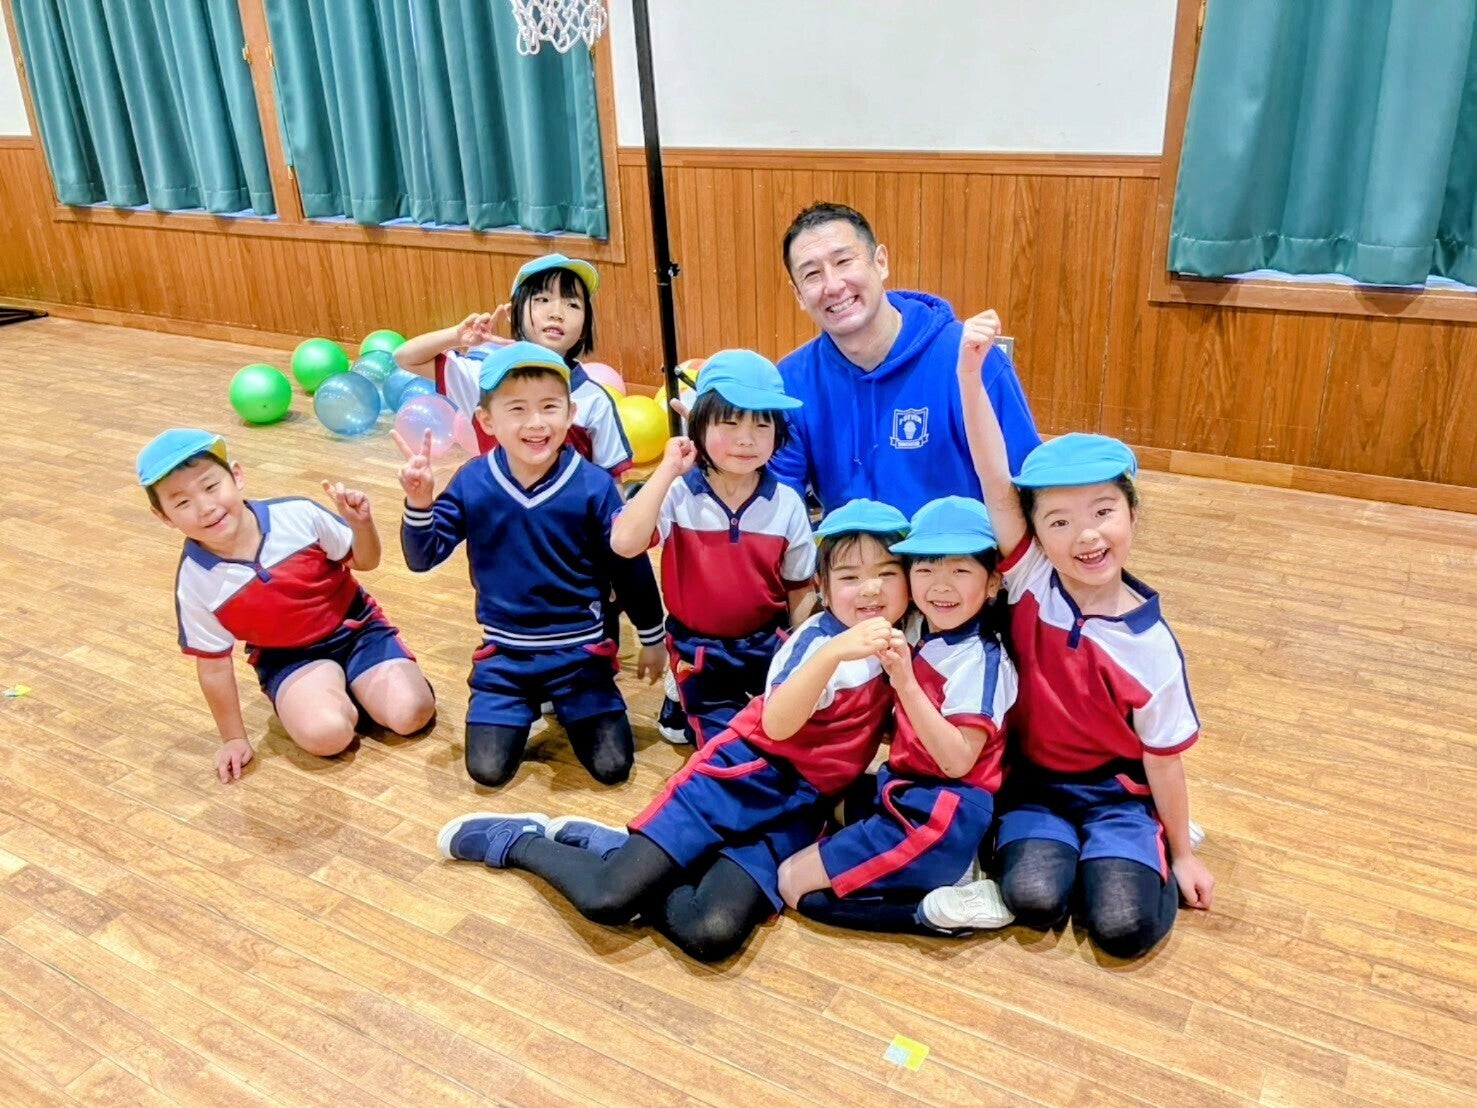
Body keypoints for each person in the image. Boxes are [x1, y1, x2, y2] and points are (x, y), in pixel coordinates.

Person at [435, 500, 911, 963]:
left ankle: (615, 849)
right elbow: (777, 724)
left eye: (887, 573)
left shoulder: (904, 639)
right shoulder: (817, 643)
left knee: (710, 932)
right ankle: (519, 840)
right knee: (608, 899)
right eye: (849, 577)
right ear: (822, 587)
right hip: (740, 781)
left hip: (797, 810)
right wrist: (833, 654)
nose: (870, 589)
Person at [932, 309, 1214, 956]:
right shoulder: (1032, 576)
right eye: (1058, 521)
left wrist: (1180, 854)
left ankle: (1140, 846)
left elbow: (1162, 760)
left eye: (1103, 511)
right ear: (1036, 532)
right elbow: (993, 476)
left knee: (1122, 927)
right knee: (1034, 900)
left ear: (1132, 515)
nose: (1085, 535)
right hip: (1035, 787)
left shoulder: (1151, 649)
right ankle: (1050, 853)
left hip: (1116, 796)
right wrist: (969, 375)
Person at [397, 342, 666, 787]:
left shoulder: (594, 485)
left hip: (581, 657)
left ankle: (569, 700)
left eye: (549, 407)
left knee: (613, 767)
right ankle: (520, 701)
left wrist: (652, 637)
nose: (536, 422)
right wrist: (419, 502)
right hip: (505, 659)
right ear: (487, 421)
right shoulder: (473, 480)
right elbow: (423, 557)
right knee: (487, 771)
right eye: (517, 409)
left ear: (570, 413)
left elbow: (629, 565)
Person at [777, 496, 1018, 935]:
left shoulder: (981, 659)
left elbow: (957, 761)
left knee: (792, 884)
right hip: (906, 789)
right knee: (823, 804)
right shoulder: (924, 629)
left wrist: (904, 682)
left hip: (941, 810)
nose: (940, 586)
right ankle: (951, 867)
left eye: (960, 570)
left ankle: (934, 909)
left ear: (992, 583)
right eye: (925, 569)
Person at [138, 428, 435, 784]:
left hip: (358, 631)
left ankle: (353, 685)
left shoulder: (298, 514)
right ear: (164, 517)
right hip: (288, 658)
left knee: (412, 714)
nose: (205, 507)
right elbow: (214, 666)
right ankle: (330, 694)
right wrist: (234, 738)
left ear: (237, 475)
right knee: (327, 736)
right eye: (182, 503)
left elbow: (366, 561)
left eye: (211, 486)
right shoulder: (195, 580)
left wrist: (361, 525)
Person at [770, 202, 1041, 517]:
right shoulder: (791, 382)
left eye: (843, 261)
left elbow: (1028, 488)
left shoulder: (971, 359)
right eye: (812, 274)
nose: (832, 285)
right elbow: (779, 506)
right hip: (850, 548)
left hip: (961, 547)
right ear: (798, 295)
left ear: (880, 262)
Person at [611, 349, 816, 747]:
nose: (746, 438)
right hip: (697, 645)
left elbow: (799, 588)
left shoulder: (787, 503)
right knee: (726, 745)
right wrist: (668, 468)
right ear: (699, 423)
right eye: (729, 421)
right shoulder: (678, 492)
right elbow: (624, 543)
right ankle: (682, 690)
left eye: (762, 424)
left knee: (783, 733)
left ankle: (687, 698)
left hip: (765, 641)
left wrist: (802, 654)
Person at [394, 253, 633, 476]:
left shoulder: (594, 399)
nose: (557, 313)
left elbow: (611, 484)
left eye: (573, 304)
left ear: (584, 328)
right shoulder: (484, 378)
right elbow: (405, 357)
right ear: (514, 313)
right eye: (542, 299)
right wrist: (456, 336)